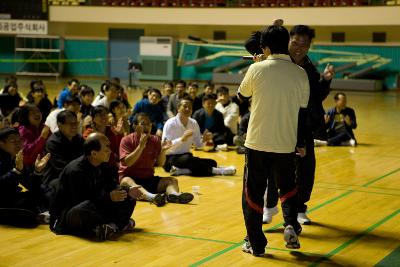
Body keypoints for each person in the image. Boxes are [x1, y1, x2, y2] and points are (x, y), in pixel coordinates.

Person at [238, 25, 310, 256]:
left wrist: (256, 64)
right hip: (286, 144)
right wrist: (300, 142)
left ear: (265, 47)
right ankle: (290, 224)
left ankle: (256, 244)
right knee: (288, 188)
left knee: (253, 193)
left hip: (257, 142)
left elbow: (241, 97)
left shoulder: (257, 68)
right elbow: (302, 113)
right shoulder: (300, 73)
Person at [262, 24, 335, 225]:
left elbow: (317, 97)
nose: (299, 48)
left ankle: (300, 208)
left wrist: (326, 81)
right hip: (280, 123)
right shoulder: (277, 61)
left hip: (304, 127)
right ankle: (269, 206)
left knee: (305, 169)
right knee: (275, 168)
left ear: (309, 47)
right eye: (295, 42)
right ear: (288, 42)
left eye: (304, 44)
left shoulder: (310, 69)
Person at [50, 133, 137, 240]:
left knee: (129, 198)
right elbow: (81, 200)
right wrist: (109, 197)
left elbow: (111, 184)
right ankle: (117, 224)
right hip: (70, 213)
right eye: (106, 148)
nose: (110, 151)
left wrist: (125, 190)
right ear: (94, 153)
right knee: (85, 207)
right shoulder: (76, 170)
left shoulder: (103, 163)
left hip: (97, 204)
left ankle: (112, 226)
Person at [119, 113, 193, 207]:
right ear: (135, 126)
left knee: (172, 181)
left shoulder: (155, 140)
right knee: (126, 181)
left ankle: (174, 195)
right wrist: (140, 147)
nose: (147, 126)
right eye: (143, 124)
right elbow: (128, 163)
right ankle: (152, 197)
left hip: (148, 178)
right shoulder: (126, 140)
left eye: (149, 124)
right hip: (130, 178)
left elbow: (161, 163)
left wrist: (163, 151)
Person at [162, 97, 236, 177]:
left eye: (190, 107)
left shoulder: (193, 123)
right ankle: (219, 171)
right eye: (185, 106)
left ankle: (181, 171)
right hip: (170, 159)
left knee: (212, 162)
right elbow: (165, 147)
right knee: (189, 160)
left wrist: (203, 140)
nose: (187, 109)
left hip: (186, 156)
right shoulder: (170, 124)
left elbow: (198, 145)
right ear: (178, 108)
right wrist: (182, 139)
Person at [0, 127, 51, 227]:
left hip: (17, 198)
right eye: (13, 141)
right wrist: (15, 171)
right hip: (3, 204)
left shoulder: (16, 158)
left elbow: (29, 185)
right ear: (1, 143)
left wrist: (37, 171)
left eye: (20, 140)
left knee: (46, 189)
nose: (18, 144)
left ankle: (47, 213)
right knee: (27, 205)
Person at [43, 110, 84, 188]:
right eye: (70, 124)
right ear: (60, 125)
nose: (74, 126)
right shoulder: (52, 142)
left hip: (77, 173)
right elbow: (61, 167)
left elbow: (86, 157)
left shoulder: (78, 138)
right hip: (56, 178)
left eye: (75, 123)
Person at [18, 104, 51, 169]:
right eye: (32, 113)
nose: (37, 114)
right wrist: (42, 137)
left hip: (46, 162)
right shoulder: (23, 130)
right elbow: (27, 152)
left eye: (38, 111)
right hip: (29, 167)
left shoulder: (44, 126)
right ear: (25, 116)